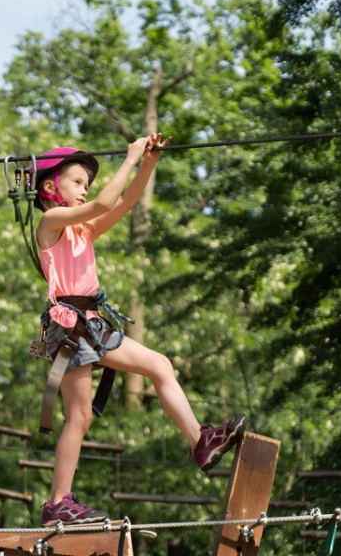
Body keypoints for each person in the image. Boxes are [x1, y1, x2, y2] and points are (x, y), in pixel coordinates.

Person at [32, 137, 246, 525]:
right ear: (50, 188)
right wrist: (129, 157)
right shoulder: (50, 223)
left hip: (90, 324)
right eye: (78, 182)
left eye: (86, 185)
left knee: (159, 366)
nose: (85, 191)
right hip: (70, 327)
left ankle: (201, 440)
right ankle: (57, 502)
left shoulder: (82, 231)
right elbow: (102, 204)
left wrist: (149, 164)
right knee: (79, 416)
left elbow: (124, 202)